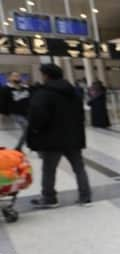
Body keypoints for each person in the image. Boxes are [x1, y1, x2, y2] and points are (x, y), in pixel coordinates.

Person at [27, 64, 91, 208]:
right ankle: (85, 196)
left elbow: (38, 116)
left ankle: (49, 198)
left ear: (46, 76)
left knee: (49, 169)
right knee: (79, 168)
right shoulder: (74, 92)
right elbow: (80, 115)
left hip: (52, 139)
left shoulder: (43, 93)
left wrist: (36, 131)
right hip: (73, 137)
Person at [0, 72, 30, 150]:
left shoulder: (25, 87)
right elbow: (3, 101)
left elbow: (29, 99)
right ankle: (19, 147)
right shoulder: (5, 89)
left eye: (18, 76)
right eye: (14, 76)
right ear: (9, 78)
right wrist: (3, 113)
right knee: (27, 127)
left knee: (28, 131)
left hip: (27, 112)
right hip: (15, 113)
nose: (17, 77)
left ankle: (25, 146)